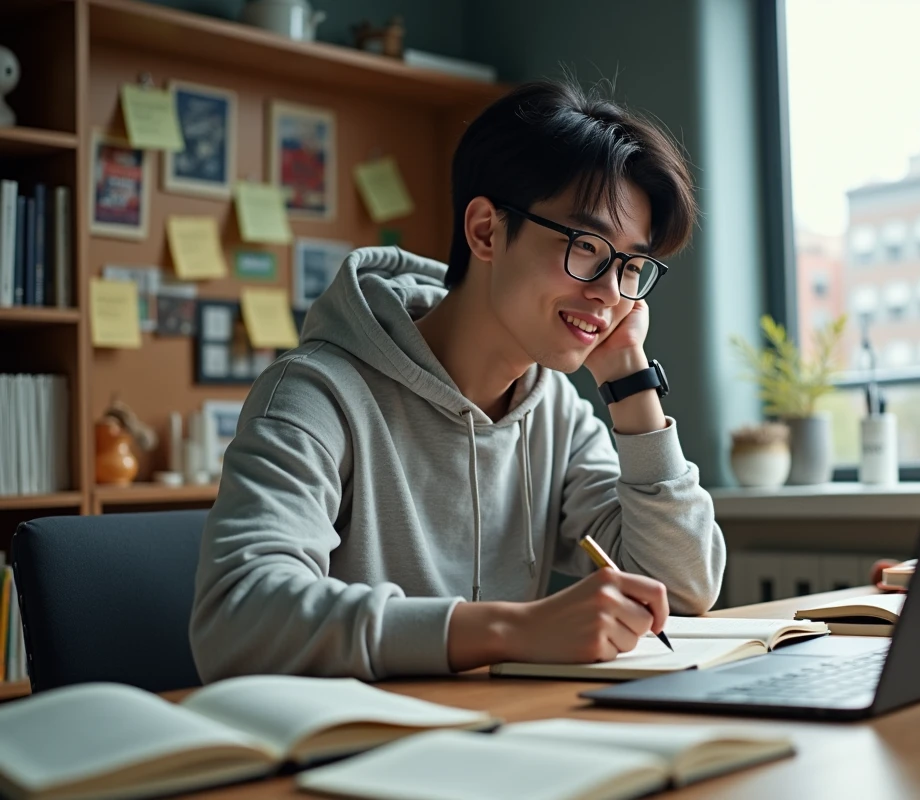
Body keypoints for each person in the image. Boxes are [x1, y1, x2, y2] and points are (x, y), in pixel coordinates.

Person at [189, 79, 726, 682]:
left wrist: (630, 382)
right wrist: (510, 630)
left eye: (630, 265)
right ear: (486, 232)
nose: (608, 292)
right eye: (587, 245)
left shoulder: (559, 417)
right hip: (347, 753)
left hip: (496, 740)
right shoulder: (315, 394)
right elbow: (235, 621)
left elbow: (681, 591)